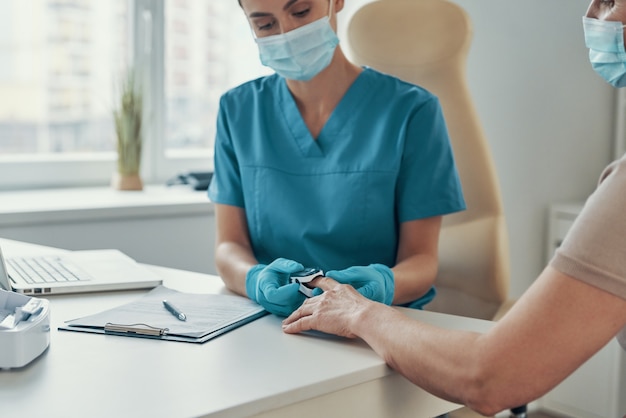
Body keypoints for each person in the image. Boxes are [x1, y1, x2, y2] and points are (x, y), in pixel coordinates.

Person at [282, 0, 626, 415]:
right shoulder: (250, 107)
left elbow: (491, 376)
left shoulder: (417, 111)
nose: (592, 13)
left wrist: (357, 311)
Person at [208, 0, 465, 317]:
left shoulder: (411, 111)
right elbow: (228, 246)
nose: (287, 33)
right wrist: (254, 279)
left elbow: (422, 261)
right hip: (271, 324)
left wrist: (383, 283)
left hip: (374, 325)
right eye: (265, 25)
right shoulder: (238, 110)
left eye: (301, 12)